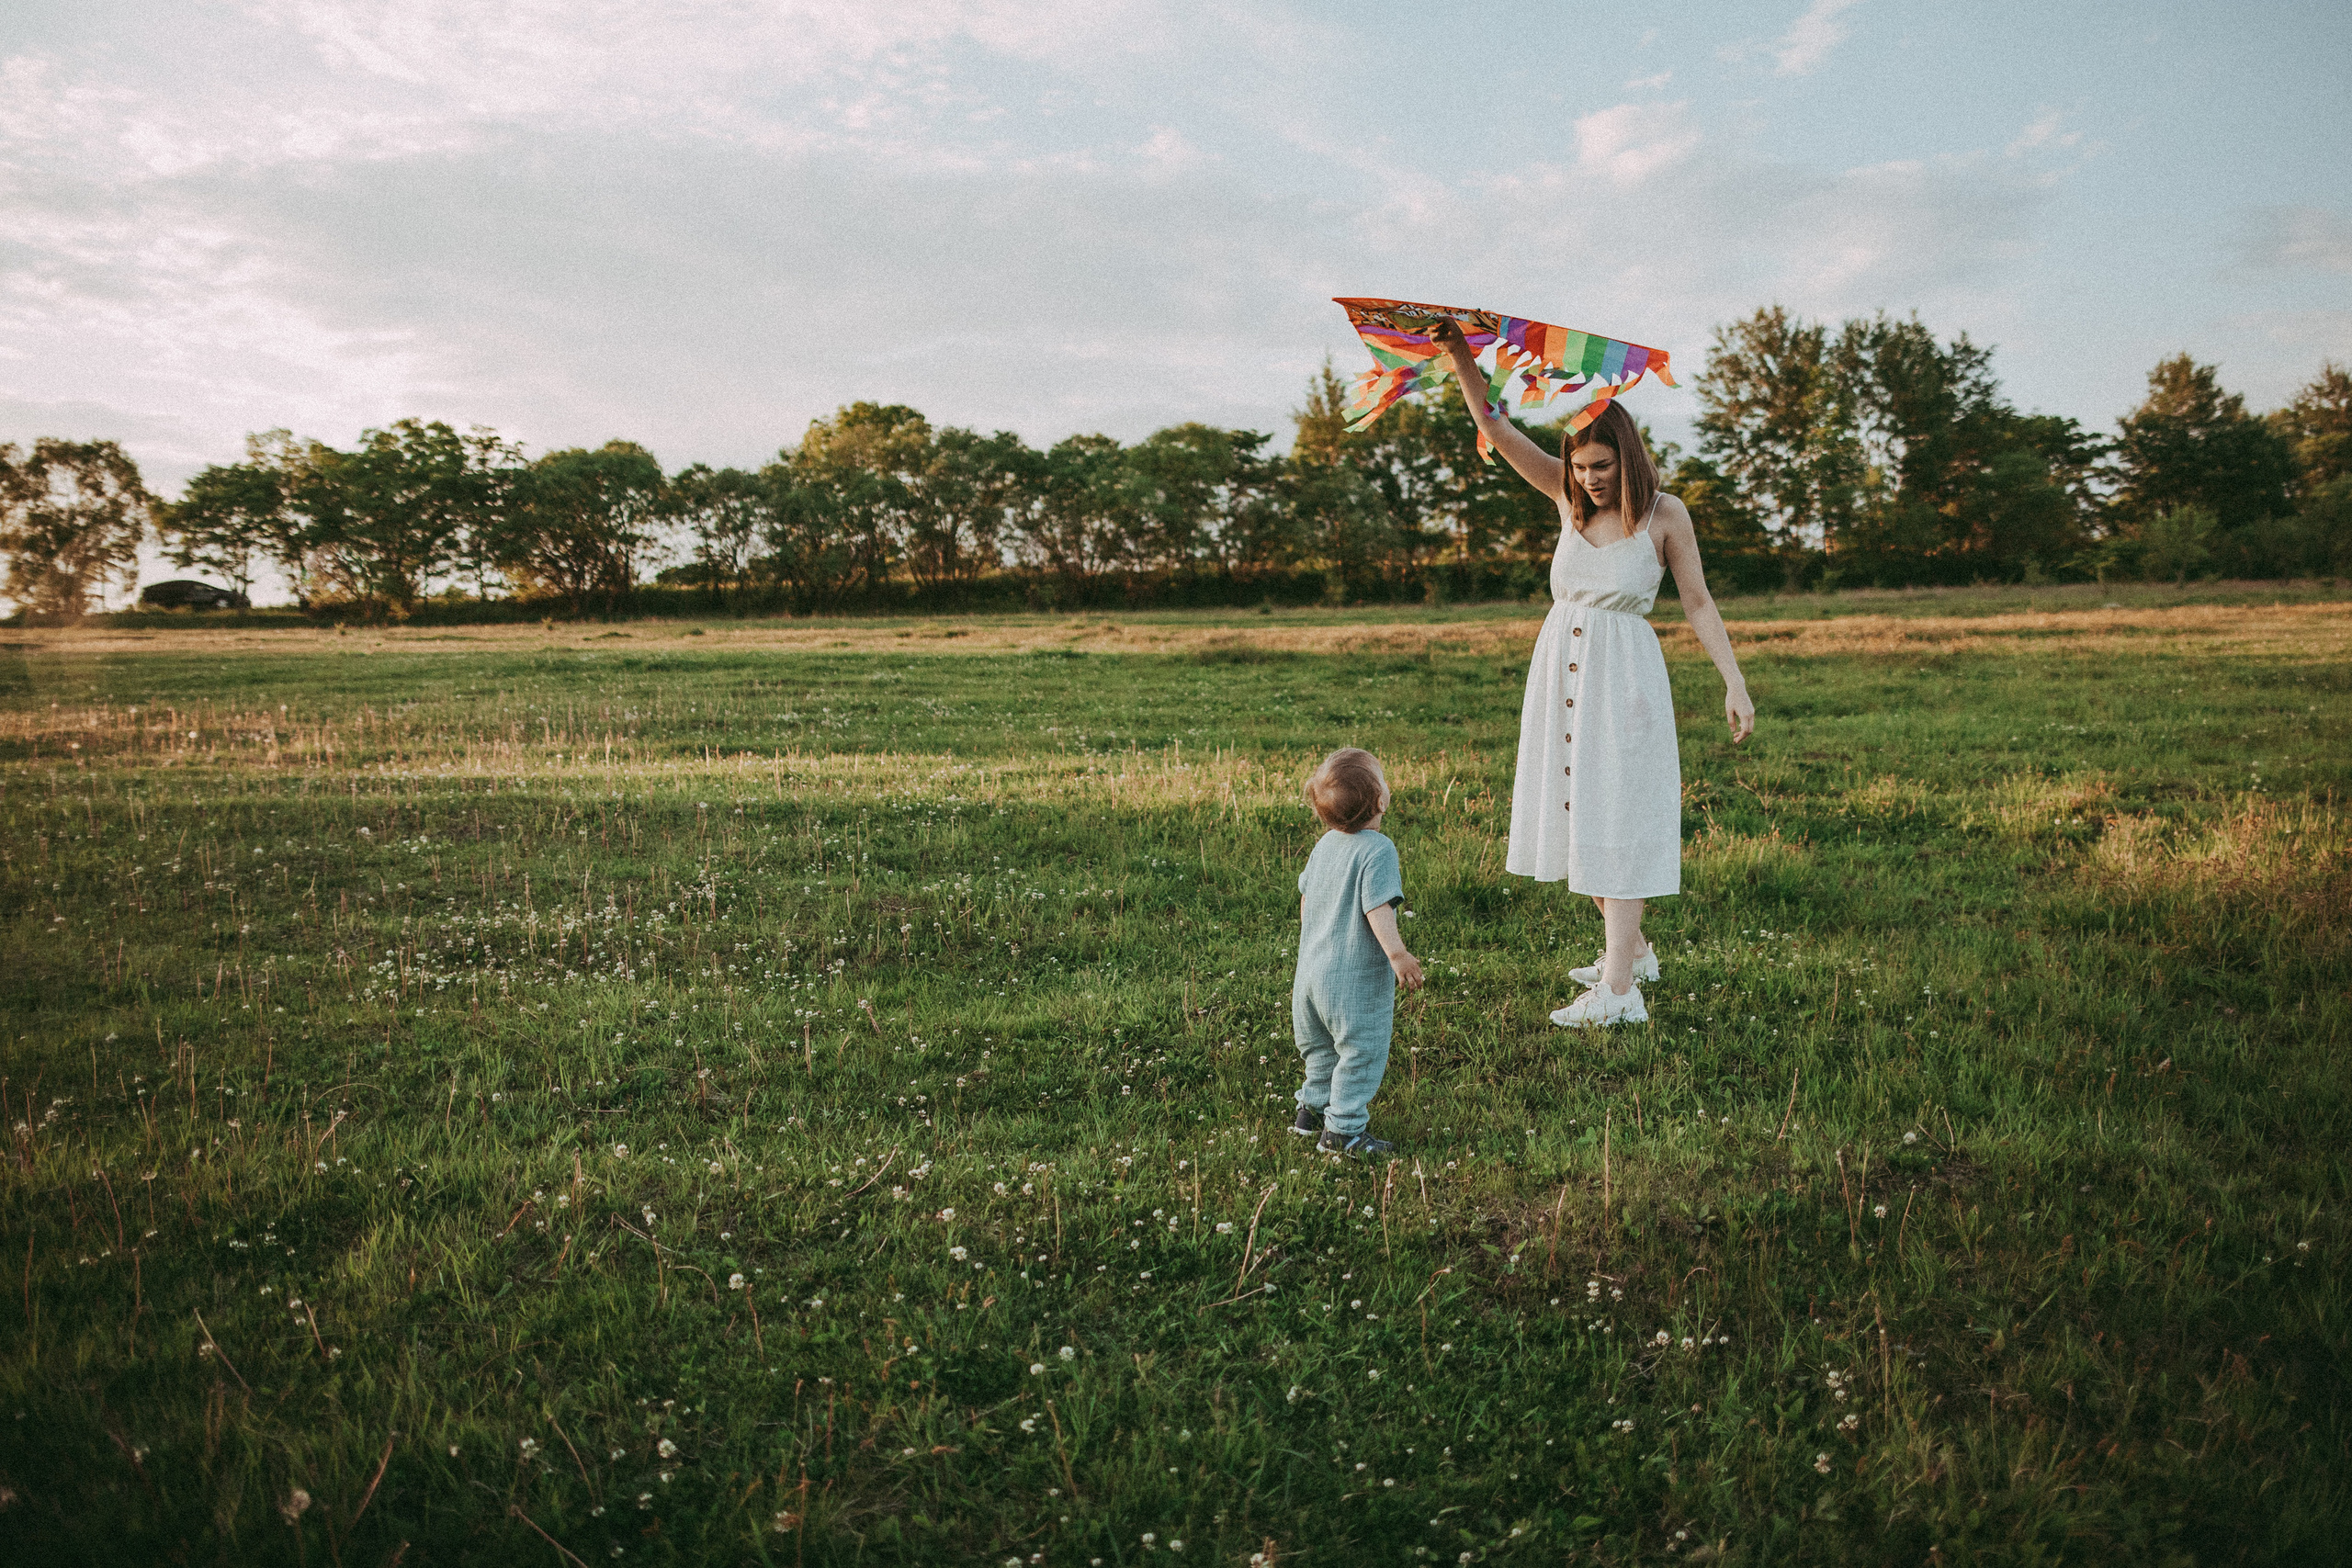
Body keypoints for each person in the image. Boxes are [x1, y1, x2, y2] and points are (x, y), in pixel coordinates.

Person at [1436, 326, 1755, 1027]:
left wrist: (1734, 681)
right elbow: (1495, 422)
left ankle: (1618, 993)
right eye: (1580, 465)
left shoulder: (1664, 514)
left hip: (1626, 675)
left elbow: (1698, 601)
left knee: (1618, 812)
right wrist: (1461, 356)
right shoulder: (1565, 498)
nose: (1590, 478)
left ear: (1629, 455)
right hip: (1562, 664)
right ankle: (1631, 949)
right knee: (1576, 810)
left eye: (1602, 464)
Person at [1289, 747, 1425, 1158]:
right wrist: (1398, 955)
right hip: (1352, 984)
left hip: (1310, 977)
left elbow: (1306, 902)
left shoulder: (1325, 845)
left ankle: (1309, 1112)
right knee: (1360, 1051)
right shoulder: (1378, 849)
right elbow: (1376, 908)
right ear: (1382, 800)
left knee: (1320, 1050)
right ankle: (1343, 1131)